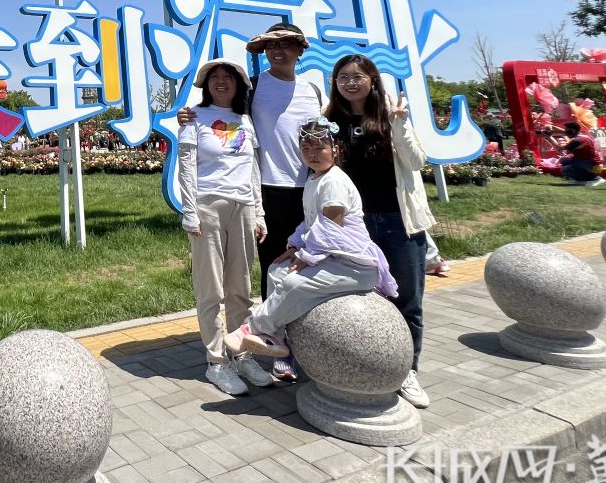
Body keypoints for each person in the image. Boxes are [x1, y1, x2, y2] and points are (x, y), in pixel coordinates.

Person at [223, 118, 398, 361]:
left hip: (354, 265)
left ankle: (253, 327)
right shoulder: (315, 178)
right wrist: (295, 245)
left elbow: (330, 227)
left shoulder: (334, 181)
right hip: (333, 257)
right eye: (305, 149)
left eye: (319, 148)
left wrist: (307, 256)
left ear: (336, 149)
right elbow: (310, 221)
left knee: (294, 283)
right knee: (276, 270)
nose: (312, 154)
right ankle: (274, 337)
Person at [179, 24, 322, 302]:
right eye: (271, 46)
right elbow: (220, 111)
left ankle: (308, 321)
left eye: (285, 44)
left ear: (300, 50)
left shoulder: (313, 91)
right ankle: (274, 324)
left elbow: (326, 131)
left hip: (309, 187)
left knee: (310, 259)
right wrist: (186, 116)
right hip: (268, 188)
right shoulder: (252, 88)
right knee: (274, 264)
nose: (277, 51)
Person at [324, 54, 435, 407]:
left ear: (372, 80)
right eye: (343, 77)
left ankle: (407, 371)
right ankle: (366, 364)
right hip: (354, 226)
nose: (350, 82)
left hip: (400, 222)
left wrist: (398, 124)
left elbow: (416, 161)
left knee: (408, 300)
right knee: (359, 297)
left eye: (357, 76)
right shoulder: (331, 120)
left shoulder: (391, 114)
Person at [177, 60, 274, 395]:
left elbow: (253, 169)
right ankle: (216, 362)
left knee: (240, 288)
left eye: (228, 77)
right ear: (206, 84)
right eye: (215, 77)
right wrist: (190, 212)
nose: (221, 81)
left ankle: (242, 354)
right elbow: (186, 167)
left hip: (243, 206)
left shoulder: (245, 119)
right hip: (208, 205)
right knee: (211, 289)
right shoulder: (194, 117)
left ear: (238, 84)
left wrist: (259, 212)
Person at [559, 122, 605, 187]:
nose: (566, 133)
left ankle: (595, 179)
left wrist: (549, 137)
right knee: (563, 160)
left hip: (591, 165)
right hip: (592, 163)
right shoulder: (584, 137)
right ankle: (580, 180)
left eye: (567, 131)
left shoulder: (577, 140)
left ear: (573, 130)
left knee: (564, 169)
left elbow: (559, 148)